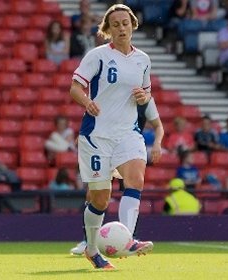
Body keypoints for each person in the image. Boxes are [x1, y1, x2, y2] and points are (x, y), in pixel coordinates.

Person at [69, 4, 156, 269]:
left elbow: (147, 93)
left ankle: (127, 239)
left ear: (133, 26)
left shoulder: (143, 59)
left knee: (136, 178)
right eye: (115, 24)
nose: (121, 28)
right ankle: (92, 249)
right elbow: (74, 88)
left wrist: (144, 96)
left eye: (125, 23)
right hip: (97, 134)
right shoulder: (98, 56)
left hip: (128, 132)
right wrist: (86, 102)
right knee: (100, 199)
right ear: (108, 29)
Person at [69, 97, 164, 255]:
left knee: (133, 187)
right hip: (105, 146)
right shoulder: (112, 93)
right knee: (94, 195)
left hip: (128, 149)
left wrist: (157, 143)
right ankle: (88, 241)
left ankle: (129, 239)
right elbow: (95, 115)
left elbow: (158, 125)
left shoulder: (146, 100)